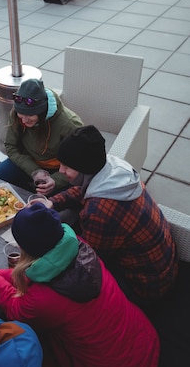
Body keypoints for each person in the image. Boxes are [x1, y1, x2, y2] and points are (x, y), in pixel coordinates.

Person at [0, 203, 160, 367]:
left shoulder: (44, 300)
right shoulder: (78, 245)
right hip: (144, 339)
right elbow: (31, 274)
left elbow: (15, 307)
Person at [49, 124, 179, 307]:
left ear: (85, 169)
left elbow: (90, 260)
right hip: (166, 267)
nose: (61, 171)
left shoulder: (98, 213)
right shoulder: (116, 173)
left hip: (145, 287)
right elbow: (84, 190)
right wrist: (52, 202)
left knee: (66, 284)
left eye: (67, 167)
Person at [0, 78, 83, 193]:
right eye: (21, 116)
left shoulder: (70, 125)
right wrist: (34, 171)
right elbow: (11, 146)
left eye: (29, 117)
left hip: (59, 170)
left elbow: (79, 163)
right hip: (28, 163)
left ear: (42, 112)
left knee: (49, 200)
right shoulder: (16, 113)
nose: (23, 121)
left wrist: (55, 181)